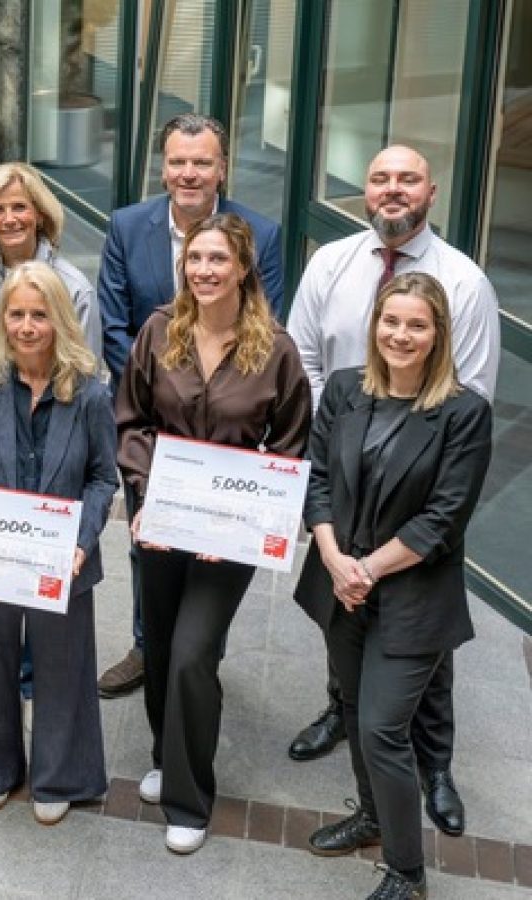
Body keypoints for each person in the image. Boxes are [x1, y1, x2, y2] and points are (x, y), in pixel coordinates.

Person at [284, 146, 499, 837]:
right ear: (365, 190)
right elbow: (306, 361)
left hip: (416, 514)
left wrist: (380, 549)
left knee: (419, 673)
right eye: (379, 178)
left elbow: (471, 405)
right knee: (351, 661)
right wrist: (339, 431)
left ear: (431, 192)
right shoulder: (332, 263)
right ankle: (349, 729)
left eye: (407, 179)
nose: (392, 190)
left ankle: (434, 768)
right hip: (349, 491)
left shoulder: (463, 283)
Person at [117, 212, 311, 855]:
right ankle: (165, 751)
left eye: (217, 260)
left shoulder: (274, 349)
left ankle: (189, 797)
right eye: (195, 259)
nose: (203, 270)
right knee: (163, 645)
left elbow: (287, 450)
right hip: (164, 521)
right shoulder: (158, 330)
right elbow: (133, 421)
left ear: (243, 268)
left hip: (229, 534)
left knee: (196, 653)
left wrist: (247, 526)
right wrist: (144, 499)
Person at [296, 273, 492, 900]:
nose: (400, 335)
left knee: (383, 728)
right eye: (391, 321)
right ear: (374, 323)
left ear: (438, 335)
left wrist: (367, 569)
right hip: (341, 585)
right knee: (354, 710)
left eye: (417, 325)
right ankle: (373, 820)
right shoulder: (347, 390)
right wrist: (333, 557)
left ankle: (407, 871)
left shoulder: (464, 412)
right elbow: (317, 477)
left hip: (411, 596)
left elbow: (443, 517)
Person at [95, 113, 286, 700]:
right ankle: (148, 646)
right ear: (163, 166)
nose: (189, 173)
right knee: (147, 542)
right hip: (150, 430)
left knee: (213, 552)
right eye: (178, 161)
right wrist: (165, 396)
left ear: (222, 167)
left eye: (202, 161)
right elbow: (113, 328)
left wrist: (211, 400)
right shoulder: (128, 226)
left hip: (225, 442)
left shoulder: (263, 234)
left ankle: (198, 657)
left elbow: (262, 333)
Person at [0, 262, 118, 826]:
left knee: (63, 666)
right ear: (2, 319)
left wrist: (83, 543)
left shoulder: (90, 394)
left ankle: (59, 775)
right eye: (16, 314)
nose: (26, 326)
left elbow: (102, 478)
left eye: (39, 315)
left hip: (63, 558)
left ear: (60, 319)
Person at [0, 161, 101, 416]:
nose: (9, 219)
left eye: (19, 207)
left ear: (40, 214)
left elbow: (84, 381)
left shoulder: (74, 289)